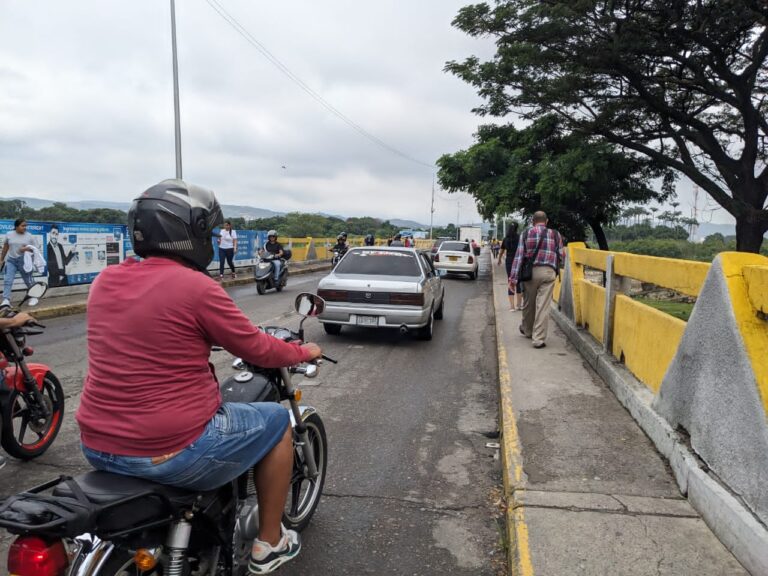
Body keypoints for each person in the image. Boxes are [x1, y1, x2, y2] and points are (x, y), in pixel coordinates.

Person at [75, 180, 322, 574]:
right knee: (276, 422)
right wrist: (303, 351)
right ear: (190, 232)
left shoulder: (105, 281)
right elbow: (256, 348)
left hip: (97, 443)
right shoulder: (197, 287)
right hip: (168, 449)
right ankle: (270, 543)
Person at [508, 211, 565, 349]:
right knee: (543, 306)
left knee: (529, 302)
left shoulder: (526, 234)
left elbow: (519, 257)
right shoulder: (556, 235)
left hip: (530, 273)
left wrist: (513, 278)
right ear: (546, 221)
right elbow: (562, 256)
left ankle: (528, 331)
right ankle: (538, 339)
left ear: (533, 221)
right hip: (548, 272)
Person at [0, 219, 37, 307]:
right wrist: (1, 259)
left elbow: (35, 249)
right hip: (11, 260)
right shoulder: (9, 234)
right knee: (8, 280)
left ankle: (34, 297)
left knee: (28, 280)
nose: (25, 227)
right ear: (16, 226)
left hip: (24, 261)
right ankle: (6, 300)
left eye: (25, 226)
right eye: (23, 226)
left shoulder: (29, 236)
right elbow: (6, 247)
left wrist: (27, 249)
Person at [498, 224, 523, 312]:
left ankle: (512, 307)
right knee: (519, 282)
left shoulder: (505, 239)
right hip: (519, 261)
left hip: (509, 262)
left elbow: (501, 251)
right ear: (517, 229)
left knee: (510, 281)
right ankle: (519, 305)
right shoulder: (520, 238)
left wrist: (499, 260)